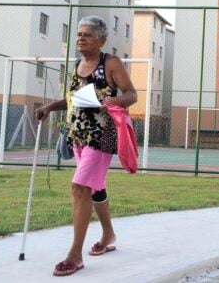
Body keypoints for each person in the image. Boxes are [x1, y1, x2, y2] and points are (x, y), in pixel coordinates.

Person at [36, 16, 137, 277]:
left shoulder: (110, 63)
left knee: (80, 187)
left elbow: (132, 94)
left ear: (101, 40)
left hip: (101, 136)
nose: (81, 38)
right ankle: (108, 234)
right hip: (78, 135)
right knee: (95, 188)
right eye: (79, 34)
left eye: (87, 34)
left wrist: (111, 101)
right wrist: (49, 107)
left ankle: (75, 255)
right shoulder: (78, 65)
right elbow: (73, 99)